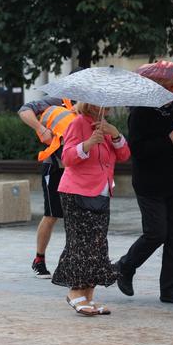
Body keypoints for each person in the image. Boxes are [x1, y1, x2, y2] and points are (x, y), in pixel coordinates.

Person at [115, 96, 173, 305]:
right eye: (168, 86)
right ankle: (126, 266)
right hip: (149, 184)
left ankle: (170, 289)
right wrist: (168, 139)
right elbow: (138, 150)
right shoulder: (141, 112)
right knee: (156, 233)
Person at [52, 103, 131, 316]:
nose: (108, 107)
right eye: (103, 104)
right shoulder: (78, 123)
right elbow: (67, 157)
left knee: (97, 245)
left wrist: (115, 134)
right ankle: (74, 292)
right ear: (90, 104)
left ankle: (88, 296)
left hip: (101, 192)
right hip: (77, 191)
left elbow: (124, 155)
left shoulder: (106, 127)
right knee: (81, 243)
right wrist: (87, 144)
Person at [18, 96, 75, 278]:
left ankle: (73, 261)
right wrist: (41, 129)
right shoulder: (56, 101)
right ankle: (39, 260)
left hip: (76, 168)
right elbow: (24, 111)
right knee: (51, 214)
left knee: (76, 215)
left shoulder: (93, 108)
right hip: (54, 166)